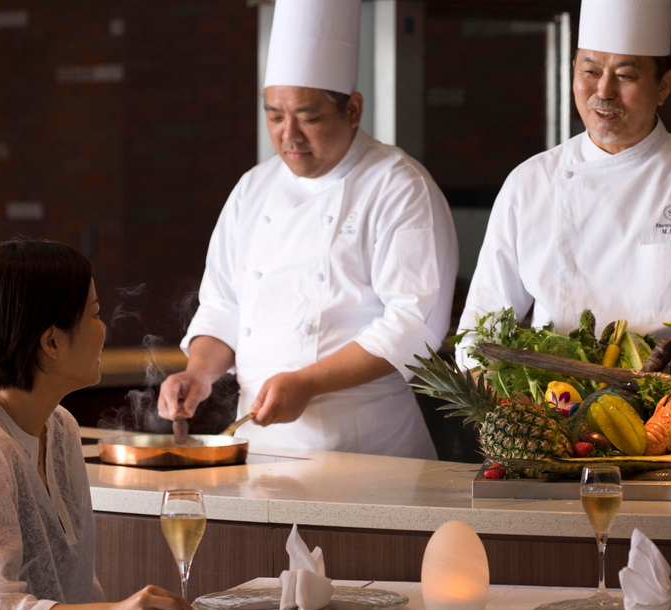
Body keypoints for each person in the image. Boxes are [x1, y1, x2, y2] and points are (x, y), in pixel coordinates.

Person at [157, 0, 458, 458]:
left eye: (309, 116)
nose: (289, 135)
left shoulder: (399, 186)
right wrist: (198, 373)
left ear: (353, 109)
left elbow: (413, 325)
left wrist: (308, 382)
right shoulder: (253, 188)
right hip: (259, 445)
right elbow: (223, 307)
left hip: (367, 451)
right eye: (275, 116)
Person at [457, 0, 671, 379]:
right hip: (553, 398)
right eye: (589, 71)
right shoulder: (529, 183)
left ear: (663, 86)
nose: (603, 91)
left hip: (667, 393)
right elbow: (483, 322)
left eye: (626, 75)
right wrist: (490, 390)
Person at [0, 239, 194, 610]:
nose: (104, 329)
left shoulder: (61, 428)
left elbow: (80, 589)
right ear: (52, 341)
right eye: (95, 314)